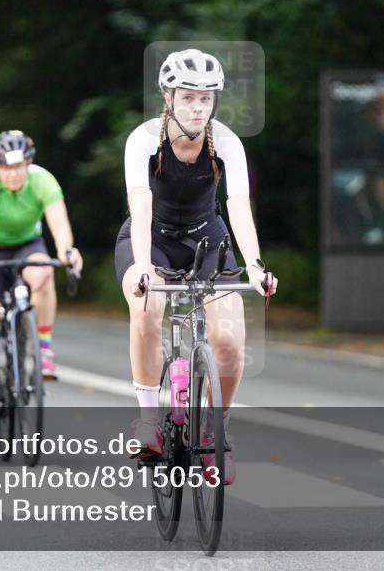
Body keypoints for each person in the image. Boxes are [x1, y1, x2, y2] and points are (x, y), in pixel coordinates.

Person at [114, 49, 278, 484]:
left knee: (228, 339)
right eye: (188, 97)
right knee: (146, 309)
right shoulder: (144, 139)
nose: (197, 106)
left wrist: (256, 267)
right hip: (153, 239)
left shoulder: (225, 141)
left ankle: (215, 432)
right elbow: (141, 204)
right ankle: (148, 419)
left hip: (209, 241)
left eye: (206, 99)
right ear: (168, 97)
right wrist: (145, 267)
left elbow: (239, 206)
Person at [0, 131, 83, 434]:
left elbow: (59, 226)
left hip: (28, 244)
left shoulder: (43, 180)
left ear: (29, 163)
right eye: (7, 169)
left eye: (20, 167)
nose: (14, 174)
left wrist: (67, 251)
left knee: (42, 274)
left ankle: (43, 348)